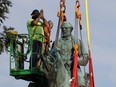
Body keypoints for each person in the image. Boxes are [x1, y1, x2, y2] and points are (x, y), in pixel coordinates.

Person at [50, 21, 88, 87]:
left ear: (71, 29)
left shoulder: (77, 42)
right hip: (61, 69)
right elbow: (51, 57)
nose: (64, 30)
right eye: (63, 28)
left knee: (81, 84)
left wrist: (77, 60)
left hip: (73, 68)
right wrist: (54, 52)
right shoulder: (56, 43)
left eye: (66, 28)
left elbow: (85, 57)